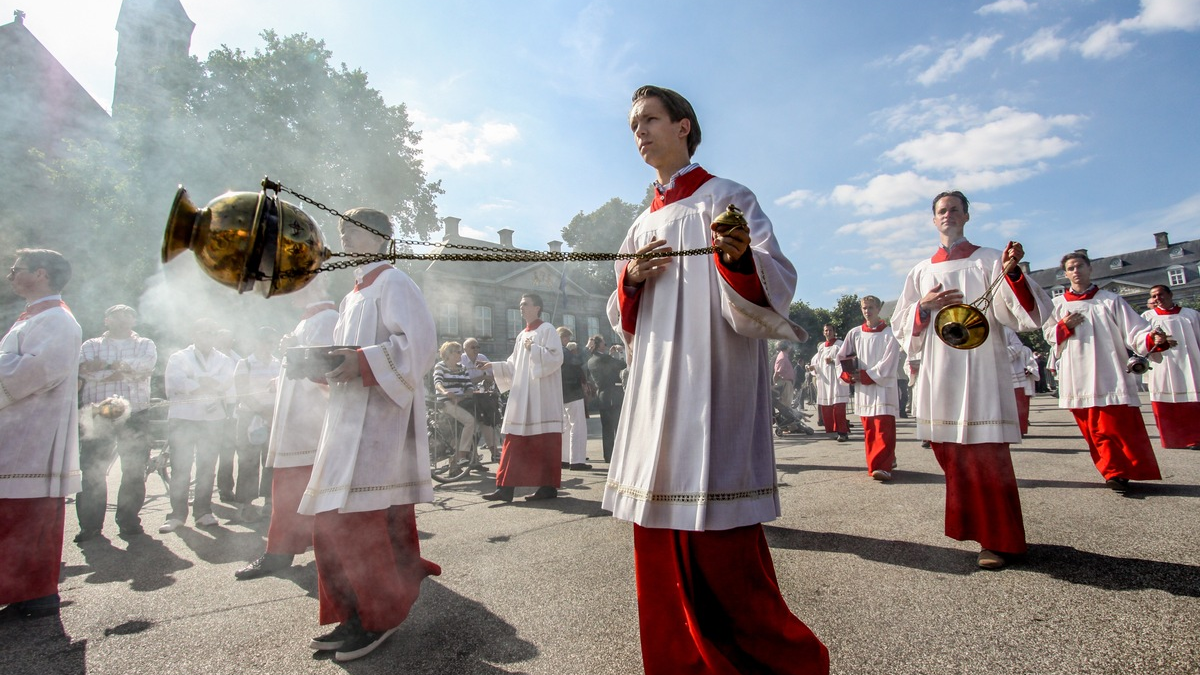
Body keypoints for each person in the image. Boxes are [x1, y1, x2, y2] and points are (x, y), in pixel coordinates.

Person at [604, 85, 827, 674]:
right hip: (656, 388)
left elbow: (775, 279)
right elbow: (619, 316)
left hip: (713, 383)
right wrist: (630, 281)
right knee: (657, 532)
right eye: (633, 125)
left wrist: (735, 258)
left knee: (722, 545)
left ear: (683, 126)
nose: (640, 132)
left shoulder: (728, 197)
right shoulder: (638, 224)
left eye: (650, 119)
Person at [297, 207, 441, 662]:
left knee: (362, 525)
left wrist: (360, 363)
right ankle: (351, 613)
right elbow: (345, 357)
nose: (349, 238)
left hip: (380, 426)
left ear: (381, 238)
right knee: (331, 522)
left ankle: (379, 618)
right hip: (343, 423)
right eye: (344, 231)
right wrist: (318, 366)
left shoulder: (395, 282)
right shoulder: (352, 295)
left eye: (358, 232)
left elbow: (418, 347)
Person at [892, 190, 1052, 570]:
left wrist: (1012, 273)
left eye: (954, 209)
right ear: (933, 220)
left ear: (966, 215)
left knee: (986, 453)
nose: (947, 215)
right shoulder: (920, 271)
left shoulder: (991, 259)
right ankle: (977, 529)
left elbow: (1024, 315)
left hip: (982, 367)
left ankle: (1000, 539)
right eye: (941, 211)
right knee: (953, 454)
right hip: (940, 370)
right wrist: (923, 307)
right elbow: (901, 325)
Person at [0, 249, 82, 619]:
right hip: (17, 430)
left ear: (42, 273)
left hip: (32, 437)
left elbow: (37, 371)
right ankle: (24, 593)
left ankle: (35, 593)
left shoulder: (58, 321)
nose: (10, 275)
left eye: (16, 270)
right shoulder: (33, 318)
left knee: (26, 516)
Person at [1045, 252, 1170, 493]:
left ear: (1090, 269)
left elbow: (1134, 331)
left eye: (1080, 266)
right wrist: (1064, 326)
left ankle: (1119, 472)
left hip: (1109, 370)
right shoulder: (1058, 305)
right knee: (1092, 427)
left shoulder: (1110, 300)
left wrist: (1151, 337)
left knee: (1115, 424)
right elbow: (1049, 335)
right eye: (1070, 268)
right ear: (1066, 274)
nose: (1075, 271)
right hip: (1077, 374)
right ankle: (1111, 471)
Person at [236, 282, 337, 580]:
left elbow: (325, 372)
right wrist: (279, 382)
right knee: (288, 492)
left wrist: (290, 356)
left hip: (311, 425)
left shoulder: (327, 320)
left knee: (304, 492)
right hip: (296, 424)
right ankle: (281, 551)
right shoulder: (308, 320)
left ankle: (301, 552)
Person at [75, 304, 158, 541]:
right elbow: (83, 372)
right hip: (99, 413)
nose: (122, 320)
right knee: (92, 470)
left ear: (134, 320)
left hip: (135, 414)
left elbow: (143, 368)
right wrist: (119, 369)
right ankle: (90, 527)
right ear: (106, 320)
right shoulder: (90, 345)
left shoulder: (145, 344)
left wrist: (104, 368)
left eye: (128, 316)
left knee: (133, 469)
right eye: (116, 316)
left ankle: (129, 521)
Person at [480, 293, 564, 502]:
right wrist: (494, 366)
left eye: (525, 304)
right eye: (520, 305)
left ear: (537, 307)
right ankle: (505, 489)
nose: (521, 308)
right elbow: (513, 365)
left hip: (542, 396)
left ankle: (548, 487)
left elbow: (556, 358)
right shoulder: (520, 335)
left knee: (544, 442)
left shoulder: (547, 329)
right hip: (522, 396)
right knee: (514, 440)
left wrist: (534, 349)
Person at [160, 318, 236, 533]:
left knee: (207, 466)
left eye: (211, 333)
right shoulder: (179, 357)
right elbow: (176, 382)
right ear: (194, 334)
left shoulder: (223, 358)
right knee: (180, 467)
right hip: (183, 417)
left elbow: (227, 381)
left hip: (213, 419)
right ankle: (176, 515)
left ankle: (203, 512)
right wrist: (204, 383)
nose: (207, 337)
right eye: (202, 332)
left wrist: (198, 381)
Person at [837, 295, 900, 481]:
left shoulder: (890, 334)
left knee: (883, 427)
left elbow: (888, 364)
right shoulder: (854, 333)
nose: (867, 311)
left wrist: (865, 375)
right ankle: (883, 461)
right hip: (864, 390)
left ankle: (882, 467)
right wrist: (849, 374)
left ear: (879, 308)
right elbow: (842, 357)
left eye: (871, 307)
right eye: (864, 308)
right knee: (870, 429)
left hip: (882, 387)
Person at [232, 325, 281, 522]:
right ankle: (246, 504)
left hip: (274, 416)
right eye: (266, 341)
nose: (269, 345)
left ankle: (270, 501)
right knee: (248, 461)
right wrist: (262, 411)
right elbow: (242, 392)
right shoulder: (245, 364)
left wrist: (272, 412)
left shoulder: (279, 364)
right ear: (257, 342)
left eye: (272, 342)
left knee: (271, 460)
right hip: (250, 416)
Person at [1142, 284, 1200, 449]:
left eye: (1160, 294)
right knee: (1165, 399)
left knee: (1192, 401)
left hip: (1190, 363)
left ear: (1170, 294)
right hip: (1163, 364)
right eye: (1153, 296)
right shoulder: (1147, 317)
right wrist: (1156, 341)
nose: (1157, 298)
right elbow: (1141, 341)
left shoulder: (1191, 315)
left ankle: (1195, 438)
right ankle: (1172, 439)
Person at [433, 341, 477, 472]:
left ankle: (465, 460)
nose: (461, 354)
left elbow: (469, 386)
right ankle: (462, 454)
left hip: (461, 401)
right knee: (470, 421)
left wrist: (462, 397)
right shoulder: (440, 366)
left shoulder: (462, 368)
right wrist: (445, 392)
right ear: (449, 354)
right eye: (458, 352)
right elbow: (437, 383)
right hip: (446, 402)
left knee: (480, 417)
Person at [807, 323, 850, 441]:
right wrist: (813, 368)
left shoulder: (840, 345)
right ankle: (830, 431)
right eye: (826, 330)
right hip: (825, 381)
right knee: (827, 408)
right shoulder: (821, 347)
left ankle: (842, 432)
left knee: (838, 407)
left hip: (837, 380)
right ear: (823, 332)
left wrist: (834, 360)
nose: (828, 332)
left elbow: (847, 359)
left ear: (834, 331)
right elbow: (818, 363)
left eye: (830, 330)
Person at [585, 334, 623, 463]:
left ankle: (608, 455)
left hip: (602, 395)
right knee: (618, 426)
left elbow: (607, 370)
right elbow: (622, 364)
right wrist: (621, 352)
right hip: (613, 394)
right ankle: (619, 454)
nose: (606, 346)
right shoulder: (605, 358)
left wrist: (609, 355)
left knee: (606, 428)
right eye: (604, 343)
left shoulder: (591, 360)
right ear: (599, 345)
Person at [460, 337, 499, 461]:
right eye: (473, 347)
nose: (476, 349)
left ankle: (493, 452)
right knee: (473, 423)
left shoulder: (482, 358)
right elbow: (464, 381)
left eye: (478, 347)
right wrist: (482, 378)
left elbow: (493, 375)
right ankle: (474, 456)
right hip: (464, 397)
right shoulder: (461, 360)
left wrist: (487, 380)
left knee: (487, 421)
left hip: (479, 396)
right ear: (465, 349)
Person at [214, 327, 242, 502]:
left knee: (227, 450)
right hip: (212, 406)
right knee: (208, 451)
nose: (227, 341)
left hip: (232, 407)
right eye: (223, 338)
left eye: (230, 338)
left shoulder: (237, 358)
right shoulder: (212, 358)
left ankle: (225, 488)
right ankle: (201, 490)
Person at [558, 327, 591, 471]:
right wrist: (587, 349)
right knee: (577, 426)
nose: (568, 340)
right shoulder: (563, 351)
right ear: (562, 337)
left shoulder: (555, 350)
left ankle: (564, 459)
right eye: (566, 337)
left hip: (563, 393)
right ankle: (577, 460)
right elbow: (577, 361)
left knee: (566, 427)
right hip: (573, 392)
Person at [1004, 328, 1034, 437]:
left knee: (1019, 404)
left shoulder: (1007, 331)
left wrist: (999, 352)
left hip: (1015, 374)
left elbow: (1017, 347)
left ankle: (1019, 429)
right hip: (993, 373)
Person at [774, 342, 797, 410]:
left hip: (786, 383)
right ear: (787, 347)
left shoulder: (784, 356)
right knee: (785, 406)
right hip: (785, 383)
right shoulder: (782, 357)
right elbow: (778, 372)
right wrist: (775, 381)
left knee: (787, 405)